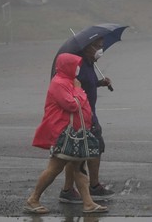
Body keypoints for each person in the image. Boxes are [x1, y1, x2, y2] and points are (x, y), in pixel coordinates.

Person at [25, 52, 108, 214]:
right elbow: (72, 104)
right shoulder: (59, 83)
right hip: (63, 134)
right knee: (55, 168)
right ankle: (33, 199)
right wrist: (78, 90)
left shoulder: (70, 81)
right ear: (67, 66)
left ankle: (88, 203)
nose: (78, 69)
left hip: (75, 133)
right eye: (75, 65)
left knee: (78, 168)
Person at [58, 37, 116, 204]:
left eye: (102, 45)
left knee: (91, 149)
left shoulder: (90, 64)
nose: (101, 49)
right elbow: (74, 88)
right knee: (78, 154)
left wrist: (100, 83)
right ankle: (71, 189)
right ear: (88, 48)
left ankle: (91, 186)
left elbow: (87, 85)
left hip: (90, 114)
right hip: (82, 116)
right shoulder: (80, 66)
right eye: (98, 46)